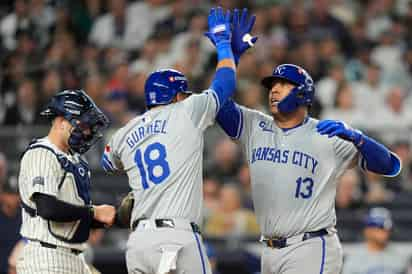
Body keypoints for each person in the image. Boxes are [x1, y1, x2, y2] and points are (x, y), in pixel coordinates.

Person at [101, 7, 256, 274]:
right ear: (175, 96)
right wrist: (223, 45)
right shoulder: (186, 110)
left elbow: (107, 162)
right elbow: (225, 84)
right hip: (176, 240)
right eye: (183, 93)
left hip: (138, 243)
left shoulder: (124, 132)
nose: (187, 97)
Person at [216, 62, 401, 273]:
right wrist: (229, 56)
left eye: (284, 84)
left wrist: (359, 139)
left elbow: (390, 166)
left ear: (303, 94)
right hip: (268, 249)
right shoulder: (254, 125)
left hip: (310, 246)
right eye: (273, 85)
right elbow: (216, 103)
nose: (274, 90)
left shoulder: (327, 135)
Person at [16, 89, 115, 274]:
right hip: (46, 258)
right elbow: (48, 208)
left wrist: (115, 217)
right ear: (62, 122)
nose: (87, 132)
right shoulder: (42, 153)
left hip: (73, 257)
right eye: (83, 125)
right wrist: (94, 213)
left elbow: (75, 217)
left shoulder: (74, 159)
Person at [342, 207, 409, 274]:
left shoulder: (400, 257)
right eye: (380, 227)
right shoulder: (354, 258)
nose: (385, 232)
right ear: (367, 230)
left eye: (387, 229)